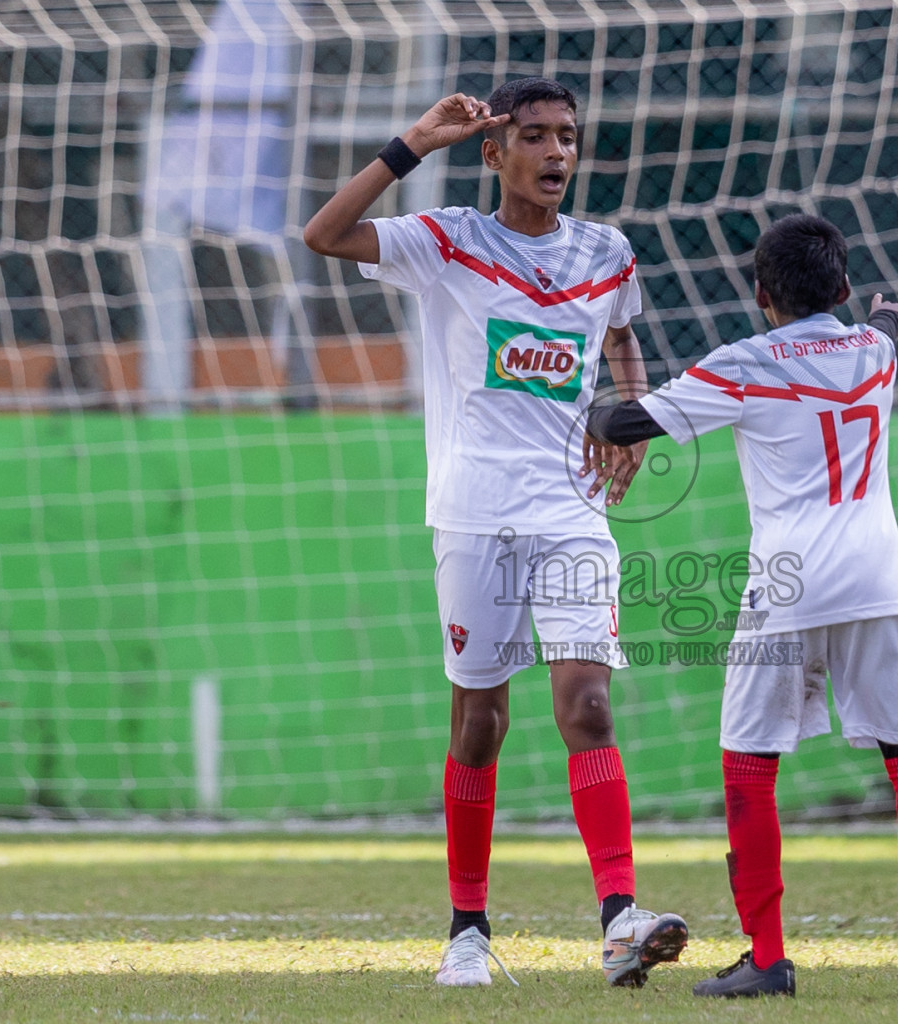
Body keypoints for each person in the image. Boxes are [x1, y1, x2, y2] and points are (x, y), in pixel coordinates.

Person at [304, 77, 687, 989]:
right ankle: (467, 932)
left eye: (568, 136)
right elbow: (323, 234)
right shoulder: (447, 243)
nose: (557, 153)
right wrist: (413, 145)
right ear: (494, 152)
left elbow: (624, 335)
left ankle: (621, 920)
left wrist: (627, 417)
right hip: (473, 512)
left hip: (570, 513)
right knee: (481, 719)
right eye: (537, 137)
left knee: (588, 702)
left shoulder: (607, 252)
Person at [587, 214, 898, 999]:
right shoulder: (873, 351)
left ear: (760, 294)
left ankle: (769, 958)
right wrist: (886, 314)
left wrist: (582, 401)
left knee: (751, 763)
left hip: (786, 586)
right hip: (879, 584)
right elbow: (887, 325)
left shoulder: (743, 364)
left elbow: (624, 420)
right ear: (843, 288)